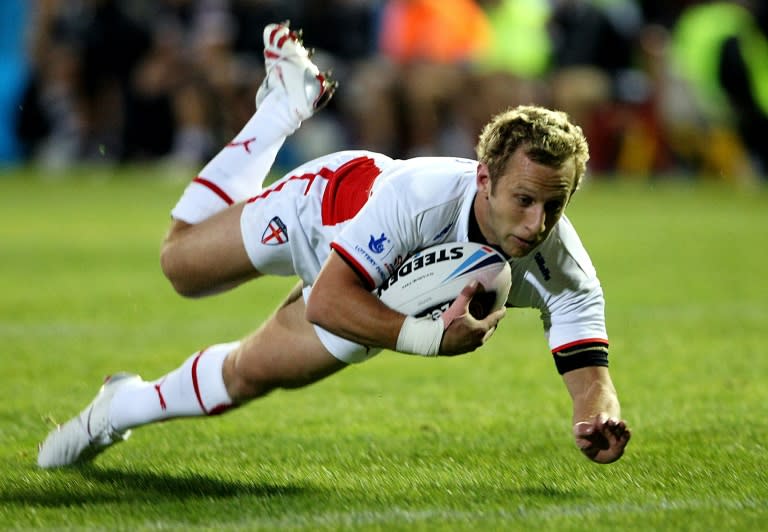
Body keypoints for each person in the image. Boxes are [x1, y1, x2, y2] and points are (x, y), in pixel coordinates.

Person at [37, 22, 631, 469]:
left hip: (373, 288)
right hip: (322, 212)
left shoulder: (555, 249)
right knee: (181, 268)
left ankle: (118, 408)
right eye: (524, 200)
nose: (538, 221)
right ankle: (284, 108)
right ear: (483, 179)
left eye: (556, 204)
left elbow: (578, 311)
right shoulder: (420, 198)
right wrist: (430, 339)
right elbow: (327, 300)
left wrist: (594, 408)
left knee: (250, 375)